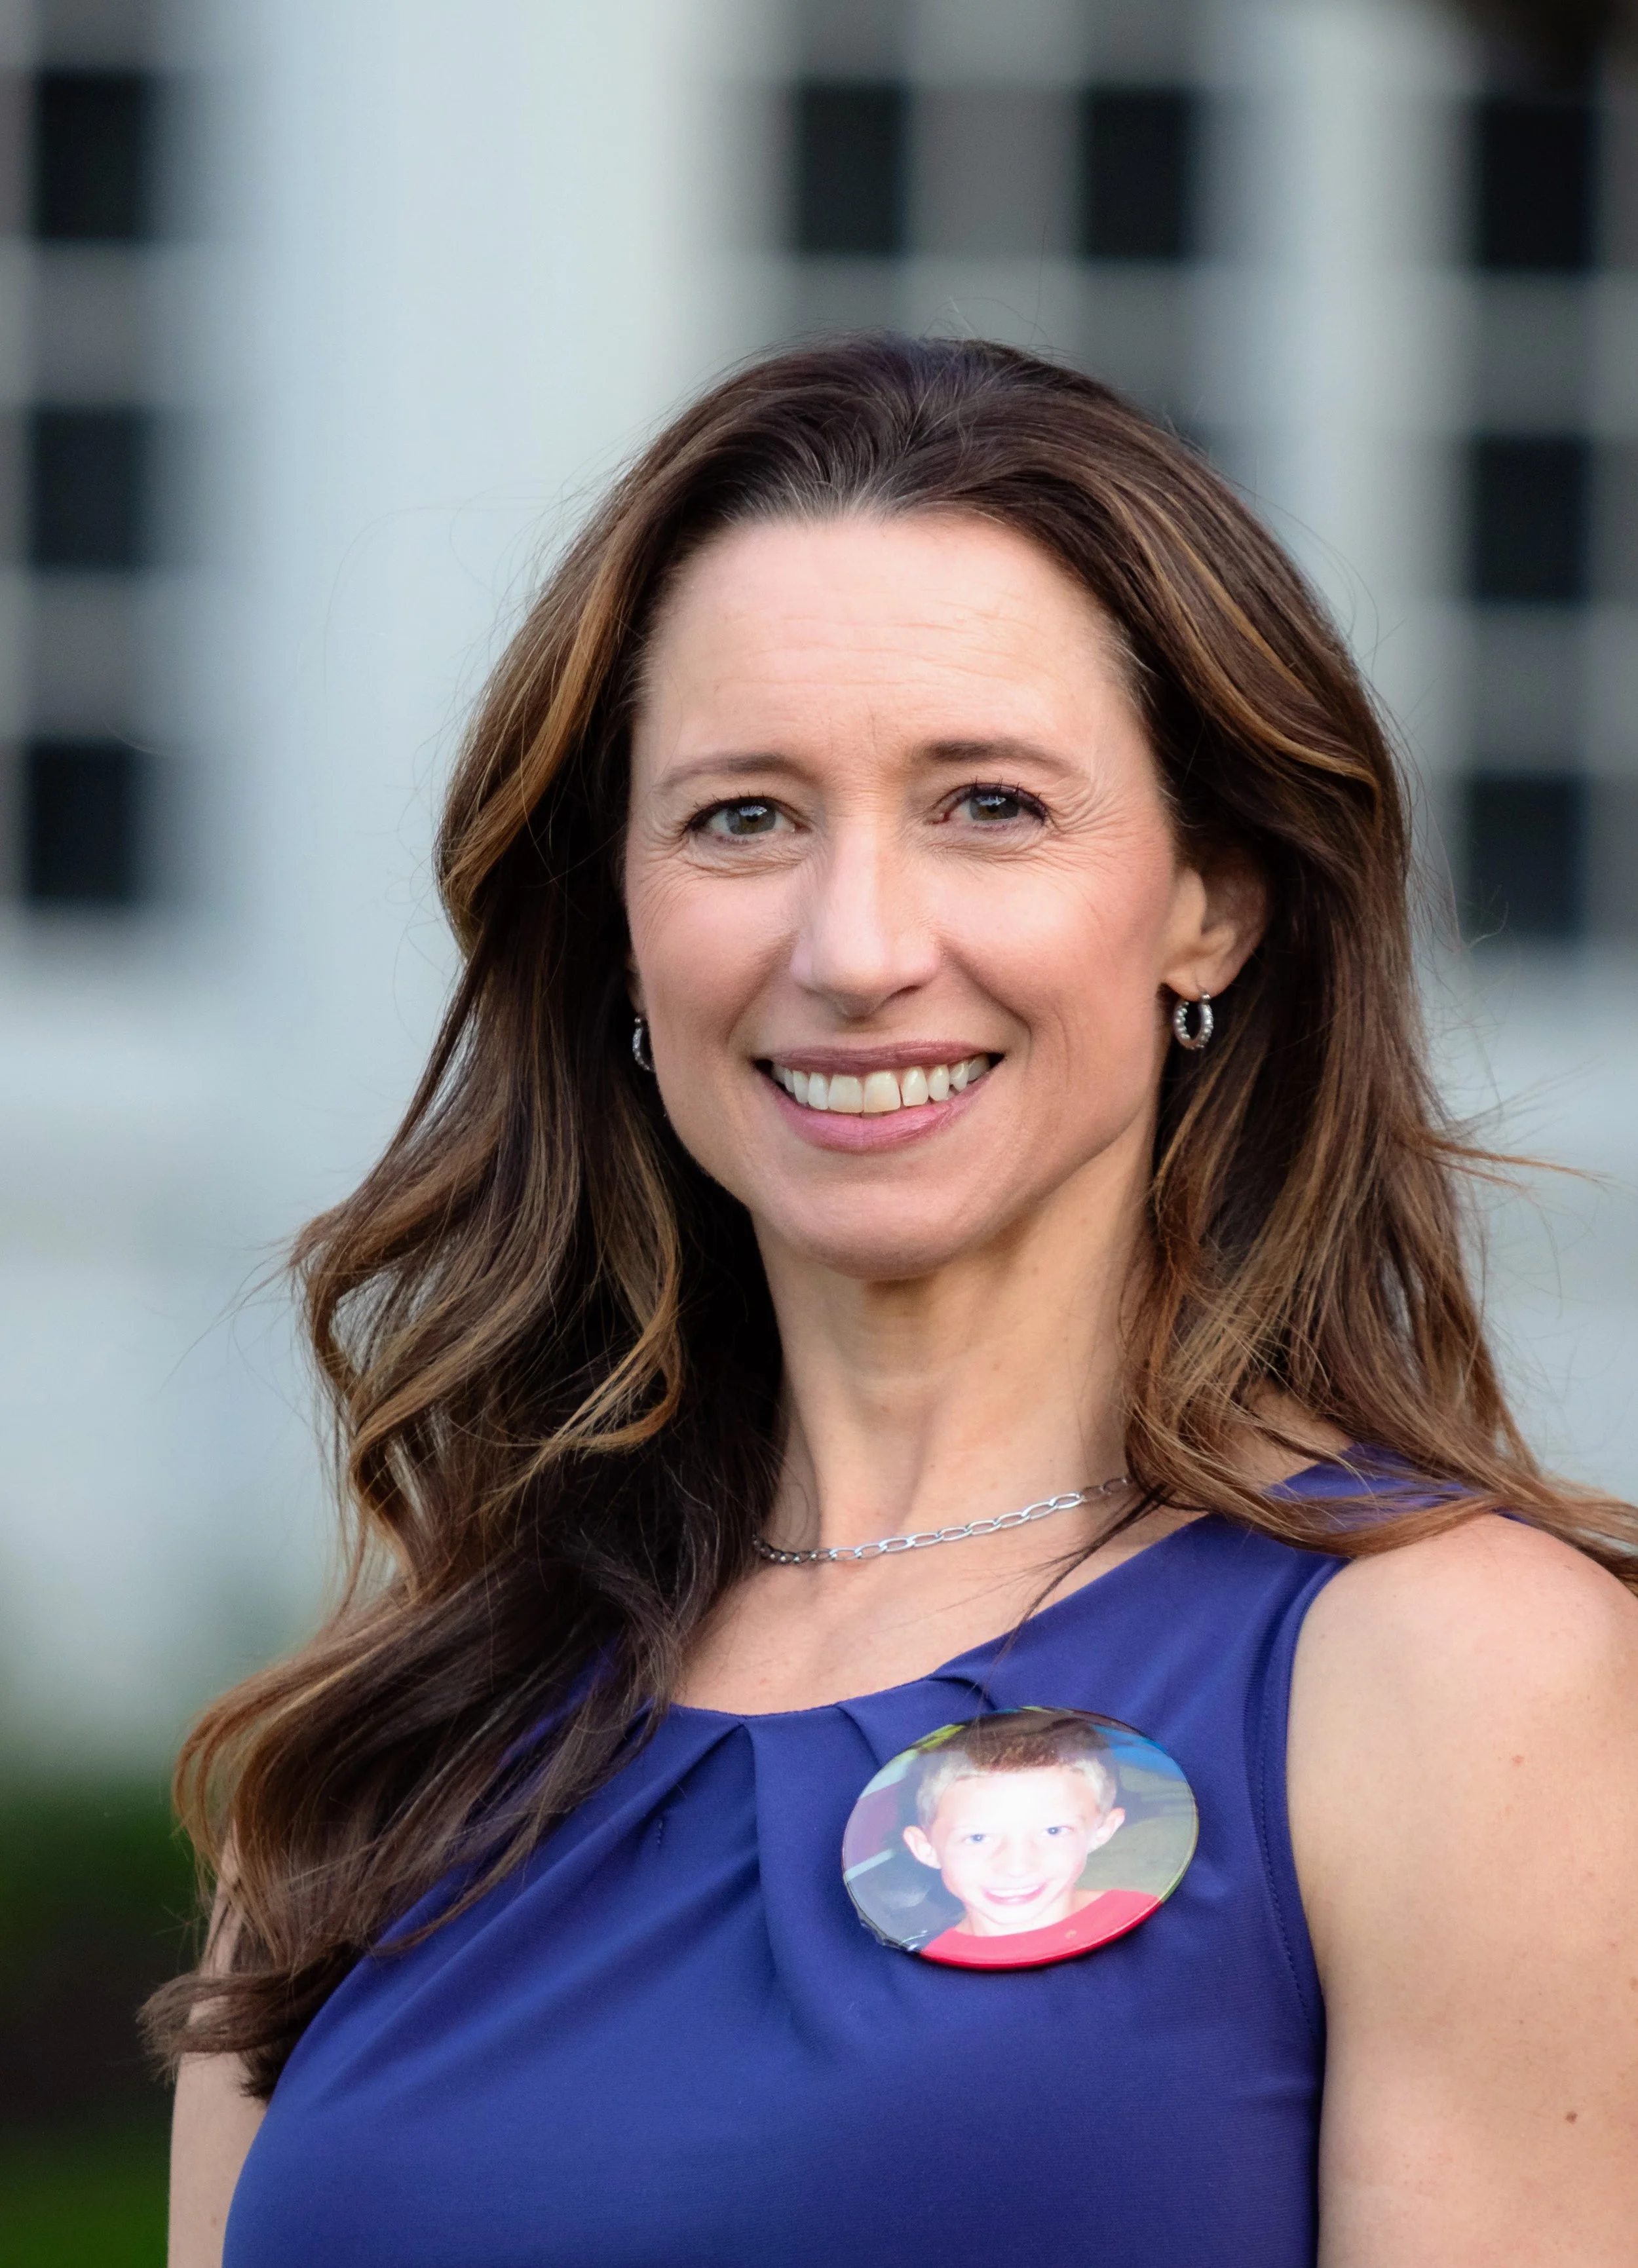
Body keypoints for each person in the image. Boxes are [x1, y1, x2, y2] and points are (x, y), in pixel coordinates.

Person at [156, 335, 1638, 2268]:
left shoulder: (1449, 1678)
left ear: (1207, 894)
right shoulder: (401, 1722)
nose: (855, 945)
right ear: (613, 911)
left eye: (988, 804)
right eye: (741, 816)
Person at [901, 1710, 1161, 1966]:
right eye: (978, 1838)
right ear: (925, 1849)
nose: (1017, 1867)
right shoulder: (924, 1967)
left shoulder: (1149, 1922)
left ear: (1103, 1830)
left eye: (1053, 1831)